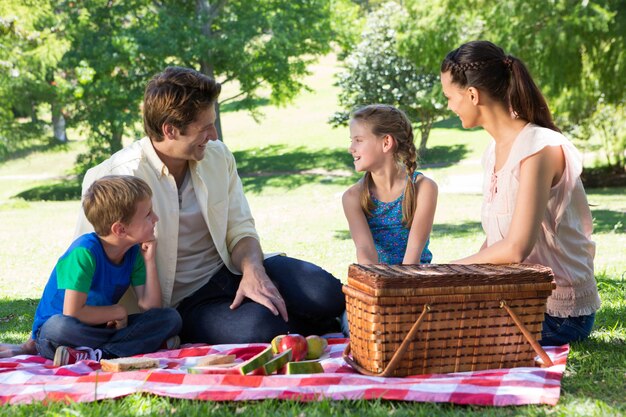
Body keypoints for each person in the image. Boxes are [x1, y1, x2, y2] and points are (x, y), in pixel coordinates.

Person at [440, 40, 601, 346]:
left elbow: (516, 249)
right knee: (432, 320)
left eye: (449, 97)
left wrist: (450, 271)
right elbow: (496, 244)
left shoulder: (538, 148)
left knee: (444, 335)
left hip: (560, 314)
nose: (449, 105)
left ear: (472, 95)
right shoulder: (493, 151)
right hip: (519, 299)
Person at [31, 175, 182, 366]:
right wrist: (117, 311)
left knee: (169, 318)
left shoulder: (133, 252)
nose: (156, 218)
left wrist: (149, 260)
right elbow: (73, 313)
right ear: (120, 229)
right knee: (57, 327)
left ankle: (92, 355)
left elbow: (150, 307)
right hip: (62, 330)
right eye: (148, 214)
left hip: (100, 329)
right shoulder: (83, 253)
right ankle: (128, 348)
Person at [343, 104, 438, 265]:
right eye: (352, 141)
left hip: (416, 281)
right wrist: (378, 286)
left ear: (386, 142)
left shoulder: (424, 188)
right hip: (378, 283)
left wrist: (398, 287)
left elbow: (412, 258)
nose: (351, 148)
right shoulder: (353, 197)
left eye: (358, 140)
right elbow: (365, 253)